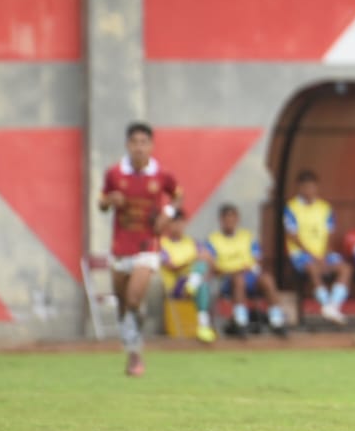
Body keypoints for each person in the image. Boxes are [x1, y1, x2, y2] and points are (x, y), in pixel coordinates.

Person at [99, 122, 181, 377]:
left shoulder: (161, 175)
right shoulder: (114, 174)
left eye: (143, 142)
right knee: (124, 305)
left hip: (148, 246)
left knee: (133, 297)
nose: (139, 147)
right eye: (134, 142)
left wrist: (167, 214)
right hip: (121, 246)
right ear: (127, 145)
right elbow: (101, 202)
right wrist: (110, 201)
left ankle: (136, 357)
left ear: (151, 146)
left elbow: (178, 195)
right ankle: (132, 344)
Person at [207, 202, 290, 336]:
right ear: (221, 220)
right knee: (238, 279)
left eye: (233, 217)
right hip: (226, 279)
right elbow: (213, 266)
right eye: (226, 218)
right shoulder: (213, 240)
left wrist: (249, 268)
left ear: (237, 219)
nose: (230, 221)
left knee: (267, 279)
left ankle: (277, 321)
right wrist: (232, 270)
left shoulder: (247, 236)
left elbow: (256, 258)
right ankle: (240, 321)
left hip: (248, 275)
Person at [284, 170, 352, 324]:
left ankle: (333, 305)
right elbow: (293, 236)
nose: (309, 190)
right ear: (300, 188)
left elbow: (329, 234)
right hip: (301, 253)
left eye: (312, 187)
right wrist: (314, 256)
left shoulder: (325, 208)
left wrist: (325, 254)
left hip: (323, 253)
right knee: (312, 268)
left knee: (345, 268)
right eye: (305, 187)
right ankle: (325, 303)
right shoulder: (291, 207)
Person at [159, 210, 213, 343]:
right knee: (199, 269)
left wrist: (204, 265)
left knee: (202, 280)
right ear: (168, 225)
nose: (178, 226)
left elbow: (210, 260)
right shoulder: (162, 244)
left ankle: (203, 326)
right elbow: (172, 267)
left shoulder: (192, 242)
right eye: (174, 222)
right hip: (174, 286)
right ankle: (204, 325)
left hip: (191, 284)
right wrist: (193, 260)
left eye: (180, 222)